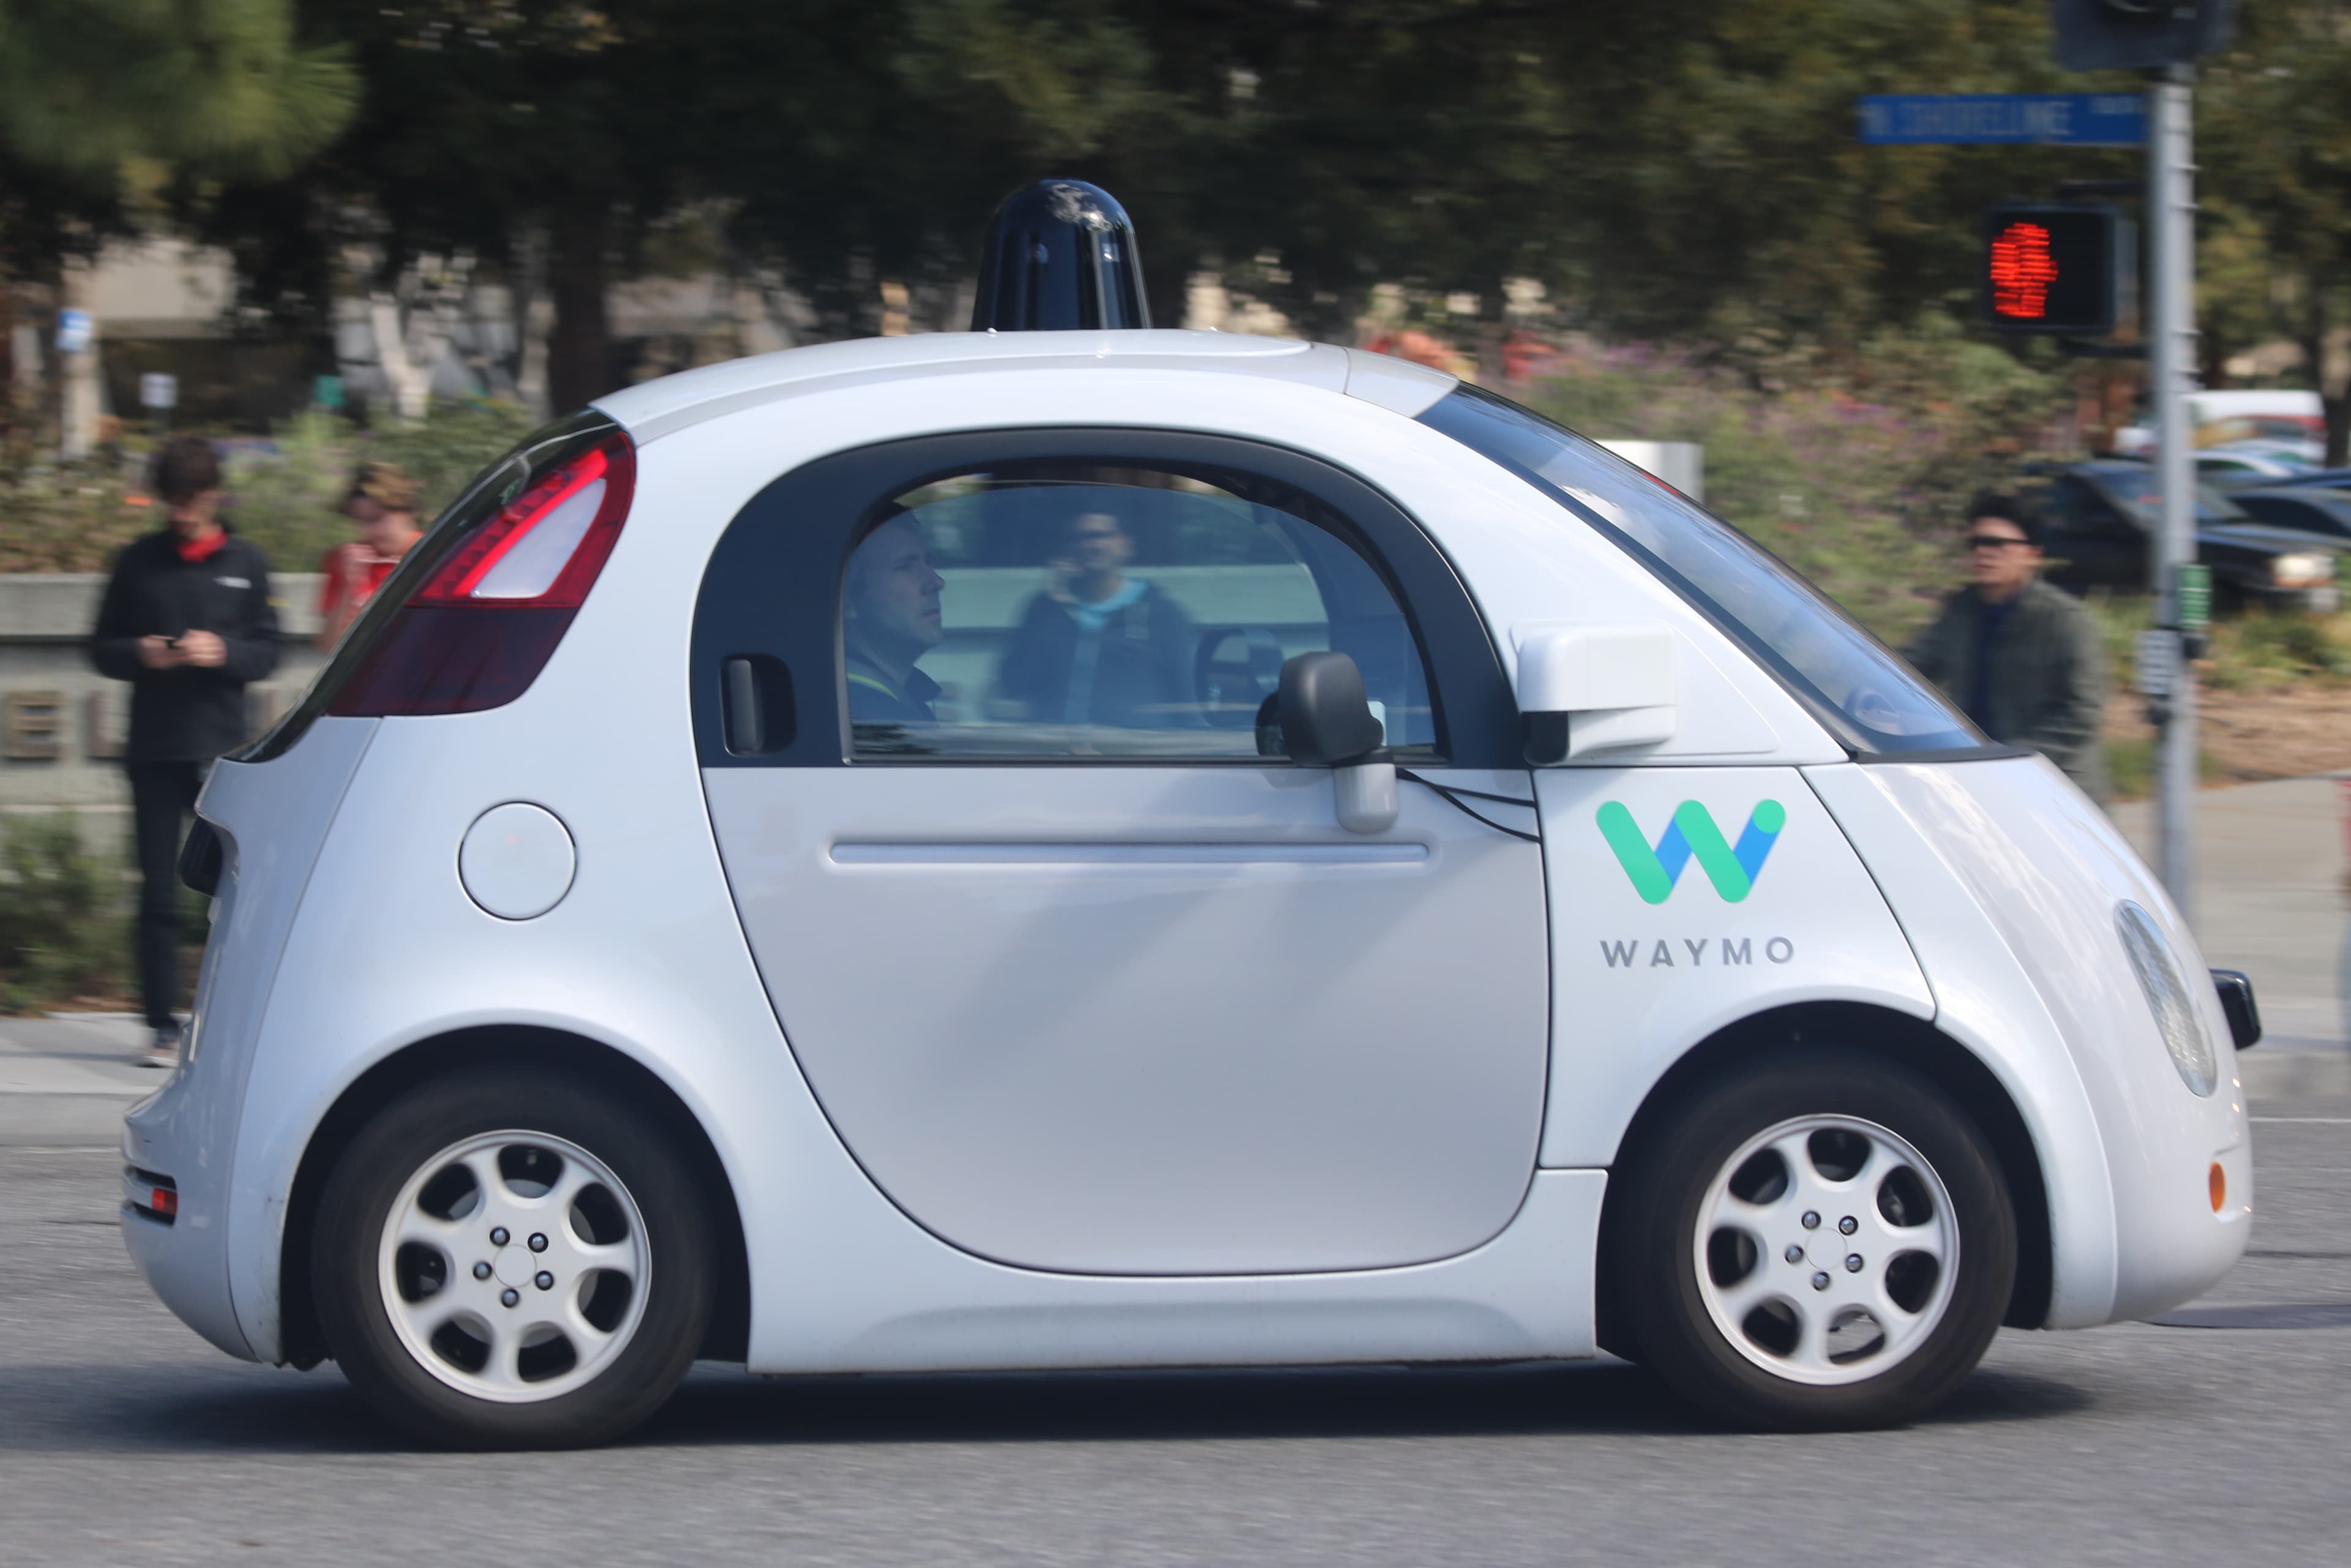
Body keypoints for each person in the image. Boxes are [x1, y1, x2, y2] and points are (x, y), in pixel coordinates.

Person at [89, 437, 280, 1066]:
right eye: (171, 502)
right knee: (157, 896)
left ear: (213, 495)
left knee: (227, 896)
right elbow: (100, 646)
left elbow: (268, 652)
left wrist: (222, 652)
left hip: (223, 754)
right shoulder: (137, 561)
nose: (180, 514)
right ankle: (160, 1025)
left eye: (191, 502)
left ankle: (225, 1023)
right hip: (153, 750)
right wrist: (139, 652)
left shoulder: (248, 562)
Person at [1905, 493, 2110, 801]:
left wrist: (2013, 758)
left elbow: (2081, 712)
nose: (1985, 553)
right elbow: (1910, 669)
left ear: (2032, 555)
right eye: (1976, 544)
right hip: (1979, 779)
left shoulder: (2063, 619)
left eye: (1998, 544)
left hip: (2057, 787)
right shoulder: (1961, 610)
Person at [996, 510, 1195, 729]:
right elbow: (1014, 684)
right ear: (1068, 550)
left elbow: (1185, 692)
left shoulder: (1161, 612)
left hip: (1134, 753)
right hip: (1054, 752)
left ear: (1126, 544)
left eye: (1100, 536)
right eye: (1078, 538)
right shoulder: (1044, 609)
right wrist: (1056, 607)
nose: (1091, 545)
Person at [843, 513, 947, 722]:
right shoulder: (870, 717)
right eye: (905, 567)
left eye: (928, 562)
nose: (936, 582)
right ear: (848, 601)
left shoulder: (850, 698)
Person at [317, 461, 424, 650]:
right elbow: (330, 647)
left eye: (376, 519)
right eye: (360, 522)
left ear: (406, 511)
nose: (368, 532)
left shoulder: (433, 556)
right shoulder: (343, 560)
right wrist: (348, 588)